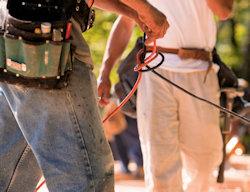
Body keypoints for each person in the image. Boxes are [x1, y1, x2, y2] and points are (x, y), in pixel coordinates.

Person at [0, 0, 169, 192]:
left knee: (8, 174)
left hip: (11, 36)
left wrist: (134, 12)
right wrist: (146, 9)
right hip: (52, 41)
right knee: (86, 177)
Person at [97, 0, 234, 191]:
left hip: (200, 71)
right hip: (155, 70)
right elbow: (126, 20)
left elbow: (224, 11)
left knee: (203, 165)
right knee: (160, 165)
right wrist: (105, 73)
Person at [102, 97, 144, 180]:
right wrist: (125, 168)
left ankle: (139, 168)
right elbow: (120, 149)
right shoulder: (117, 133)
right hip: (132, 151)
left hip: (139, 150)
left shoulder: (132, 118)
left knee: (134, 150)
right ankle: (131, 169)